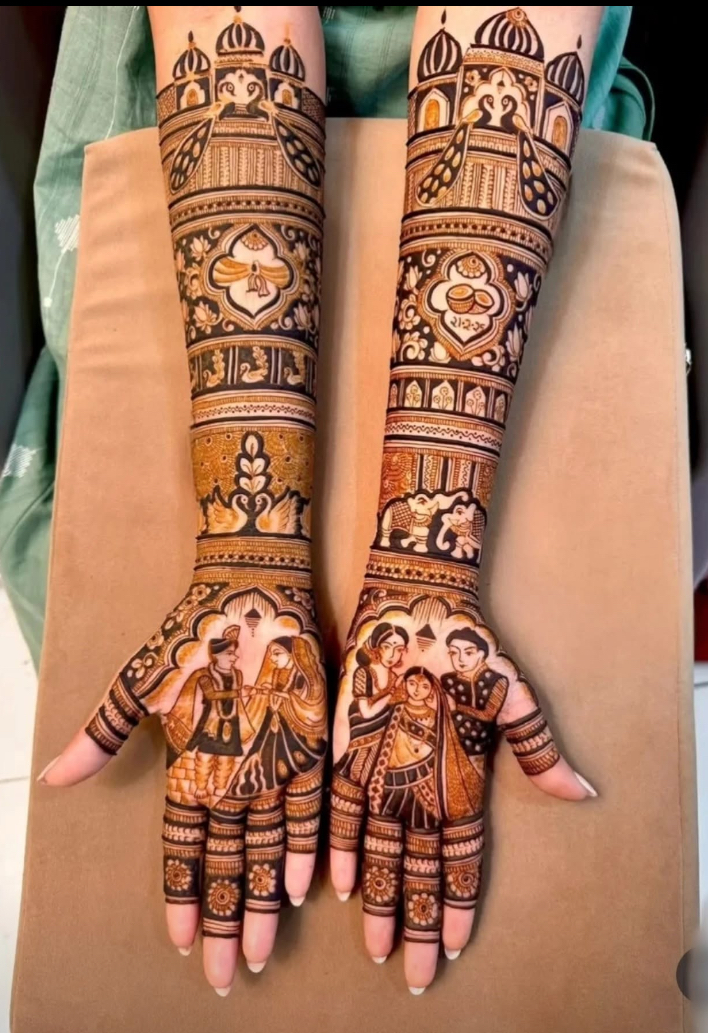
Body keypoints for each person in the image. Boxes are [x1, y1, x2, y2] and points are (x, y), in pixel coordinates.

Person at [165, 624, 255, 803]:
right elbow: (212, 695)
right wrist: (238, 693)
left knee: (226, 758)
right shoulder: (205, 676)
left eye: (234, 653)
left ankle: (221, 787)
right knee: (205, 757)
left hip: (231, 722)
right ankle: (201, 786)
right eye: (230, 653)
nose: (235, 657)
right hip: (210, 723)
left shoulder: (237, 674)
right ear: (217, 655)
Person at [441, 628, 509, 762]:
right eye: (454, 653)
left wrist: (457, 707)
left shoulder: (497, 681)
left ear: (481, 654)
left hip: (479, 749)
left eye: (468, 653)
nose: (460, 659)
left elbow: (488, 715)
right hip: (449, 746)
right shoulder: (447, 680)